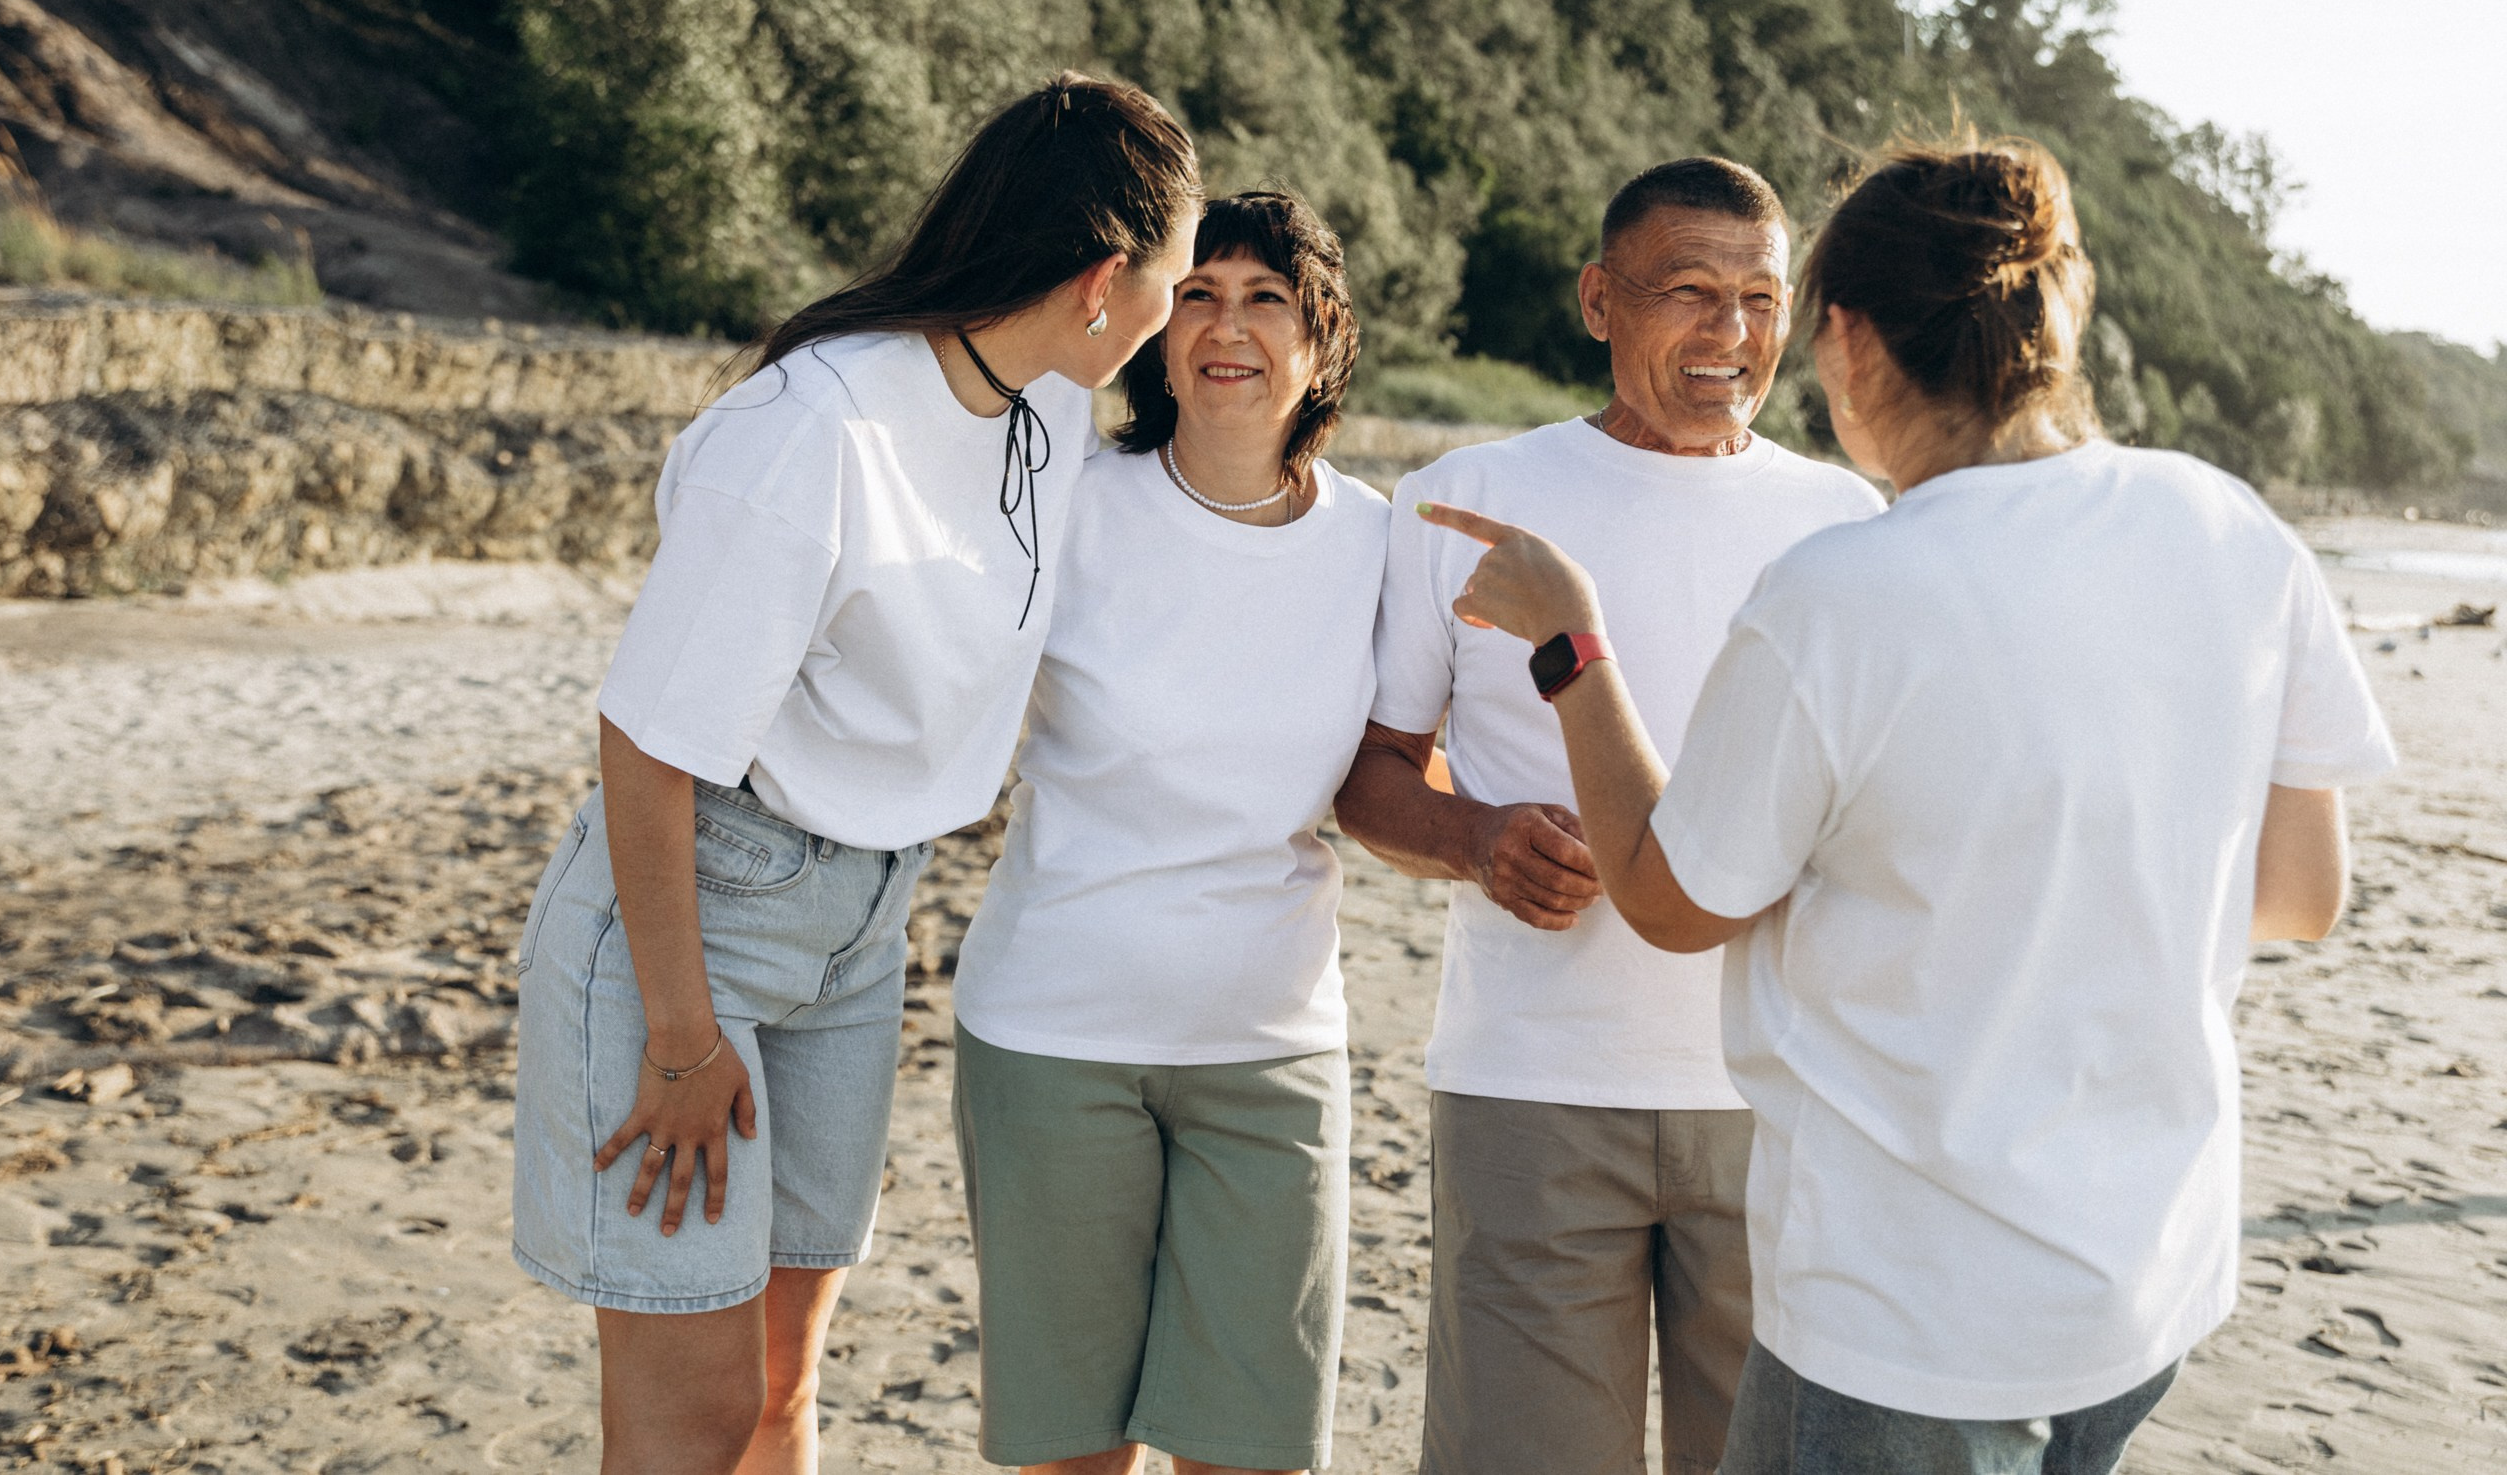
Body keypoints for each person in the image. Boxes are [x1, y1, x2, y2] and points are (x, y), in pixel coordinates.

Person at [1422, 133, 2396, 1475]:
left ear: (1852, 341)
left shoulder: (1844, 587)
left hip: (1910, 1303)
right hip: (2142, 1279)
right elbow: (2300, 891)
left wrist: (1571, 641)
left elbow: (1666, 896)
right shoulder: (2229, 525)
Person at [508, 71, 1201, 1475]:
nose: (1180, 316)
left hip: (871, 918)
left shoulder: (1047, 406)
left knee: (781, 1383)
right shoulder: (815, 430)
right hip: (695, 912)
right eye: (1180, 282)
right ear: (1105, 278)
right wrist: (682, 1031)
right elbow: (645, 740)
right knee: (690, 1411)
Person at [1334, 159, 1884, 1475]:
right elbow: (1371, 771)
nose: (1731, 333)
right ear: (1598, 299)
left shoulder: (1847, 521)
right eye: (1688, 292)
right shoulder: (1463, 498)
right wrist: (1474, 837)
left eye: (1759, 299)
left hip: (1783, 1095)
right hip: (1530, 1083)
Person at [948, 190, 1387, 1475]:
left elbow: (1397, 770)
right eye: (1197, 293)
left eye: (1265, 299)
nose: (1225, 326)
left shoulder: (1378, 542)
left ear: (1321, 339)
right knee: (1073, 1455)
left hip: (1272, 1052)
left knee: (1250, 1453)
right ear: (1154, 323)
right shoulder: (1066, 505)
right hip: (1051, 1037)